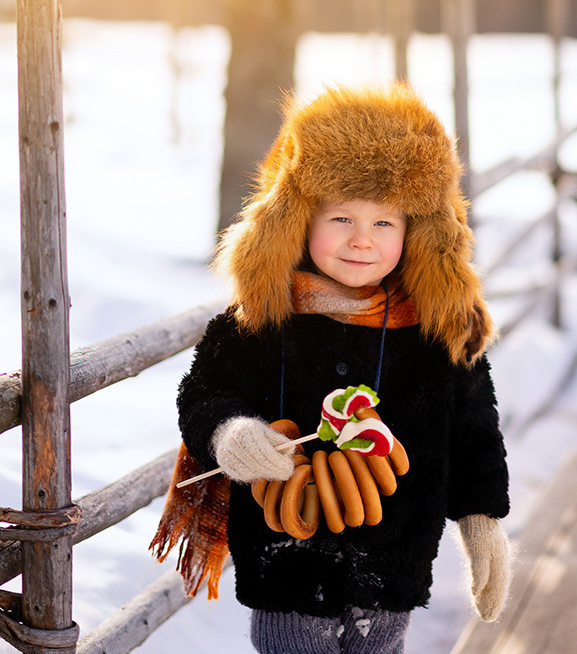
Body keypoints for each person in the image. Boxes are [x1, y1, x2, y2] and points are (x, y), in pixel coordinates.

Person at [171, 83, 510, 654]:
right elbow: (204, 392)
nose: (361, 241)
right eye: (341, 218)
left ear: (416, 232)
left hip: (393, 564)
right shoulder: (262, 317)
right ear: (300, 219)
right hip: (287, 560)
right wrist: (231, 434)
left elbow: (474, 429)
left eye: (384, 224)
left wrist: (482, 520)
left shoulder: (435, 328)